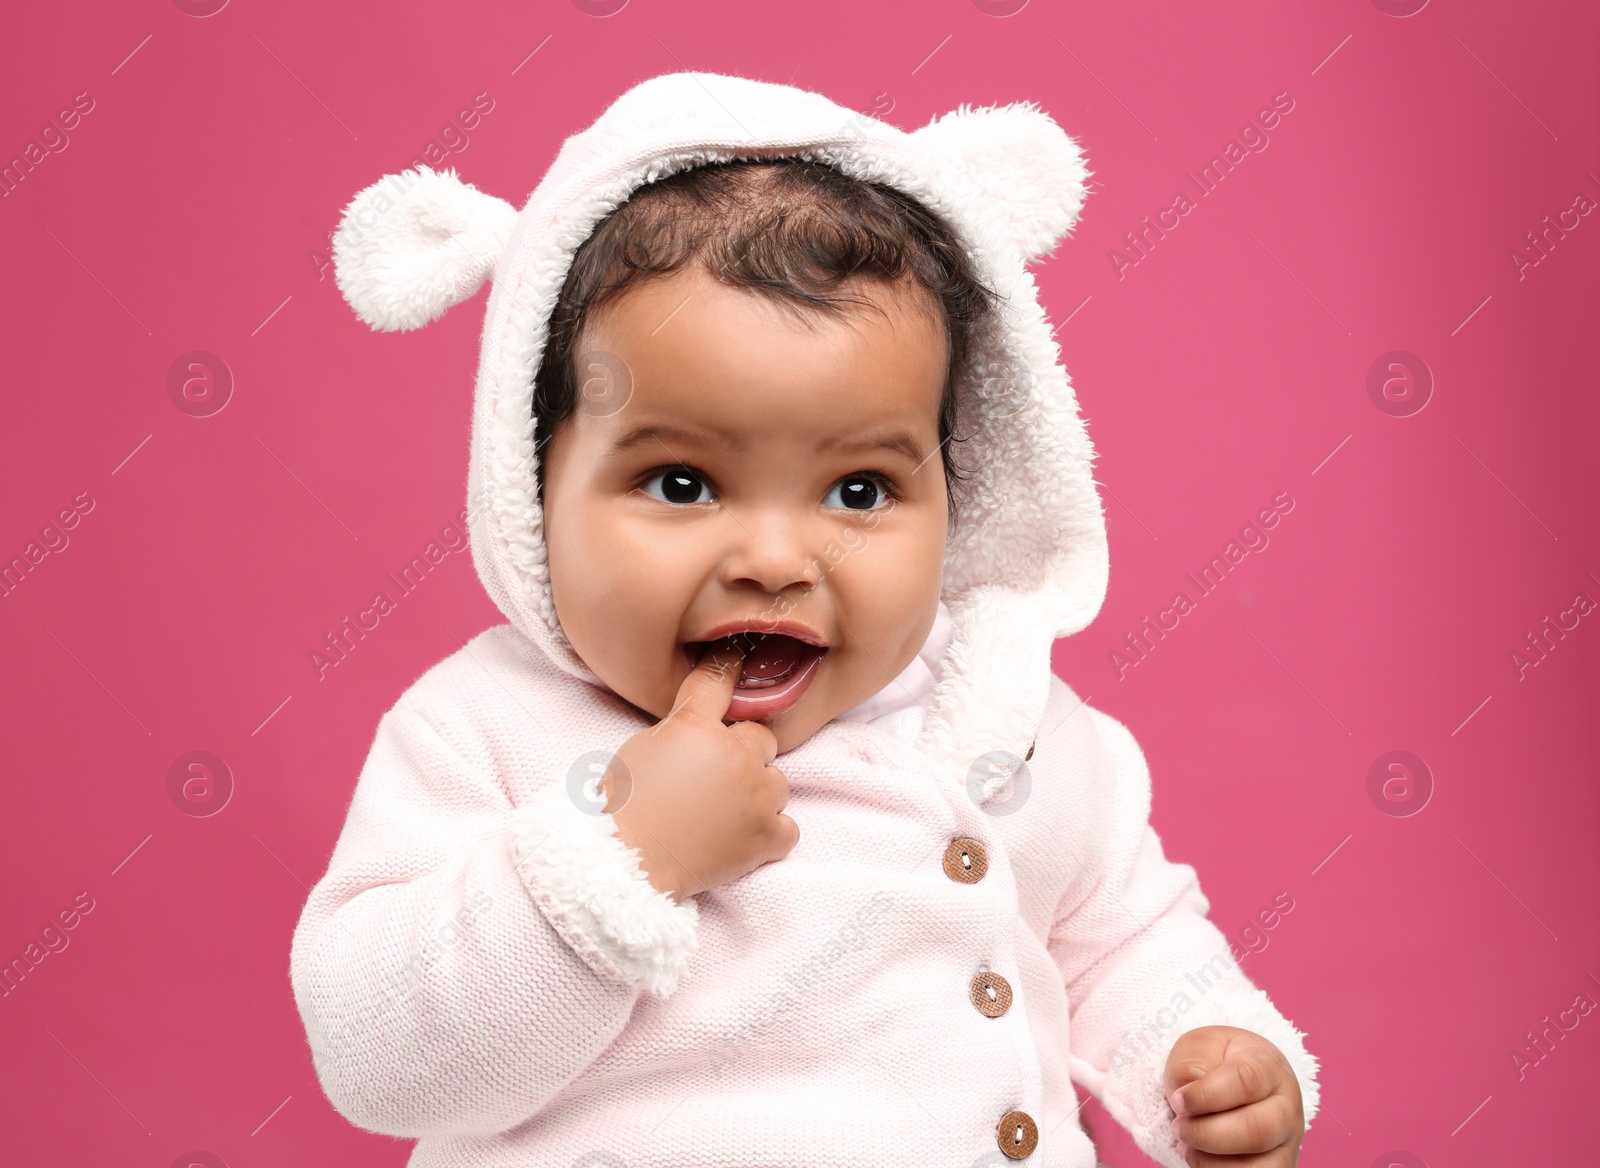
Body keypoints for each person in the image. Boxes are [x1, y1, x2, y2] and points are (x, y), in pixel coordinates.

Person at [291, 69, 1320, 1168]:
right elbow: (376, 1056)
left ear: (954, 498)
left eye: (860, 491)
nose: (778, 559)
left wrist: (1207, 1055)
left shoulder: (1009, 721)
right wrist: (618, 856)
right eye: (681, 483)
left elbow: (1127, 939)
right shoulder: (483, 730)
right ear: (531, 488)